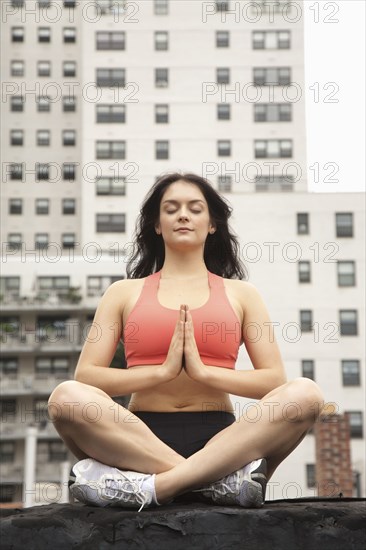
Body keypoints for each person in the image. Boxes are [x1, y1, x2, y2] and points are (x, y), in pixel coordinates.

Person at [48, 172, 324, 512]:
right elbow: (87, 377)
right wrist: (161, 372)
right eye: (171, 208)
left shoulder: (242, 294)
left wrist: (203, 372)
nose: (183, 215)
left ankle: (151, 487)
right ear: (156, 224)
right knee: (65, 398)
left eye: (195, 208)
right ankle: (217, 483)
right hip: (137, 437)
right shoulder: (123, 292)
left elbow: (272, 380)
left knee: (306, 394)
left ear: (212, 224)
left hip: (223, 441)